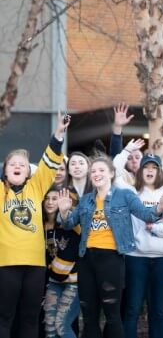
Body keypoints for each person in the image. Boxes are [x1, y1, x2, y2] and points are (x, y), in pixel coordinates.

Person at [57, 156, 163, 338]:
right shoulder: (86, 200)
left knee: (112, 315)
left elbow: (146, 214)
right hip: (86, 260)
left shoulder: (125, 195)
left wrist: (160, 208)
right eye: (94, 171)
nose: (96, 174)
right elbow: (69, 224)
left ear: (111, 173)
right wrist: (64, 211)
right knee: (89, 316)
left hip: (111, 259)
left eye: (101, 170)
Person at [0, 112, 68, 338]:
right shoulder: (0, 191)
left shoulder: (36, 187)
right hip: (5, 264)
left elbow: (49, 161)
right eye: (13, 163)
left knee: (30, 318)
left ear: (29, 172)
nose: (17, 166)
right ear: (5, 170)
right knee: (4, 317)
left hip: (35, 266)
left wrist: (59, 133)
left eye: (22, 164)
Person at [121, 152, 163, 338]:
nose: (150, 171)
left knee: (160, 312)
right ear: (140, 171)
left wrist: (156, 228)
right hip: (136, 259)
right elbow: (115, 174)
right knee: (132, 309)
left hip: (162, 260)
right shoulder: (131, 193)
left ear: (159, 172)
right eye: (146, 167)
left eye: (154, 168)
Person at [43, 186, 81, 338]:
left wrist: (78, 276)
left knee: (61, 325)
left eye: (55, 198)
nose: (50, 202)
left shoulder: (72, 224)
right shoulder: (40, 226)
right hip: (54, 281)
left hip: (73, 282)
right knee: (50, 327)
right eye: (47, 198)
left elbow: (77, 252)